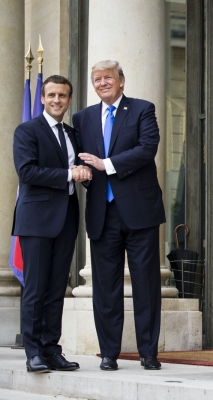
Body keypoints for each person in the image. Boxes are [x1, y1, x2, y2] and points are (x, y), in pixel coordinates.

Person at [73, 60, 166, 371]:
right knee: (106, 288)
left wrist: (105, 164)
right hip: (103, 213)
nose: (102, 83)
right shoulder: (82, 117)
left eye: (108, 78)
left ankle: (148, 353)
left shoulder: (142, 109)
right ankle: (109, 353)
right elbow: (80, 160)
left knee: (147, 285)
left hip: (140, 211)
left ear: (121, 81)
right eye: (97, 79)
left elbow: (147, 148)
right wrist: (84, 172)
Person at [13, 75, 91, 373]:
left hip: (66, 221)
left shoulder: (72, 134)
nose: (57, 100)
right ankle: (33, 353)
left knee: (57, 288)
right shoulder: (27, 131)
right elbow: (27, 171)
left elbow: (82, 170)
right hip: (35, 220)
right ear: (43, 98)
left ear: (69, 100)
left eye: (63, 95)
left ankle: (51, 349)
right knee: (35, 289)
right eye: (52, 95)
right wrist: (69, 174)